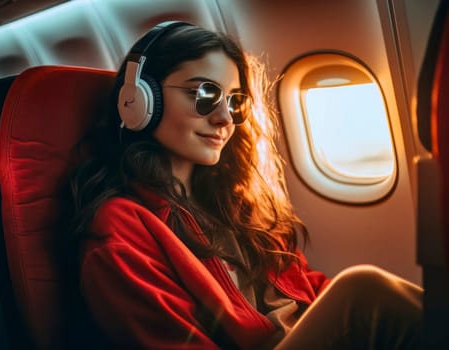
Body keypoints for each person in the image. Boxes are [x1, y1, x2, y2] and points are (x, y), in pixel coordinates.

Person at [70, 21, 422, 349]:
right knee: (361, 292)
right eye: (204, 95)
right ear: (140, 101)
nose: (224, 118)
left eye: (235, 102)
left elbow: (303, 286)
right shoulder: (120, 229)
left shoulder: (231, 202)